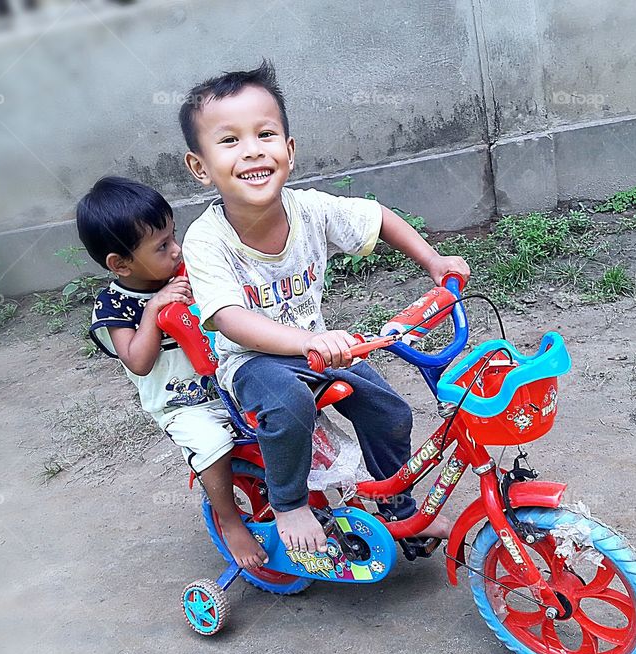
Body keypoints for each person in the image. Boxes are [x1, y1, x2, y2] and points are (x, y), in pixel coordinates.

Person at [177, 61, 470, 555]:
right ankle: (290, 503)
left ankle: (397, 507)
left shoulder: (310, 209)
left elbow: (377, 217)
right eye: (229, 140)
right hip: (252, 362)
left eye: (265, 134)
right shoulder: (207, 240)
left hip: (321, 351)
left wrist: (433, 261)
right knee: (287, 403)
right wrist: (309, 340)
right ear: (200, 167)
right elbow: (230, 319)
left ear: (289, 151)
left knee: (389, 412)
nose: (253, 149)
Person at [76, 176, 267, 570]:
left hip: (227, 381)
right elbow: (138, 361)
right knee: (213, 443)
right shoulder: (114, 305)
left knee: (282, 410)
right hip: (181, 405)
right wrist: (153, 310)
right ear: (120, 264)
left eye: (173, 236)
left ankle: (295, 501)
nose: (176, 249)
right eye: (162, 246)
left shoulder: (185, 273)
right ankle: (231, 522)